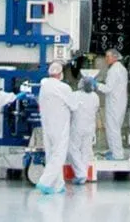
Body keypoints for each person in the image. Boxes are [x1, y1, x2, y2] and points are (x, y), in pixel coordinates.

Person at [36, 62, 79, 194]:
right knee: (59, 155)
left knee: (51, 154)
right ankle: (45, 182)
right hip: (59, 125)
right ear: (60, 74)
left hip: (47, 124)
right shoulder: (64, 87)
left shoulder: (44, 86)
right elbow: (74, 106)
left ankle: (57, 184)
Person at [96, 49, 128, 160]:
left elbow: (108, 89)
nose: (106, 58)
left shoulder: (114, 70)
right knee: (113, 127)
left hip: (115, 103)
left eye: (108, 56)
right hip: (118, 102)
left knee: (113, 128)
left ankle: (117, 154)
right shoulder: (120, 68)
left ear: (115, 57)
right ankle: (113, 151)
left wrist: (96, 84)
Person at [67, 77, 100, 185]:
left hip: (77, 126)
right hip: (90, 127)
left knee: (73, 149)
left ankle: (81, 174)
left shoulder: (75, 95)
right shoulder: (95, 96)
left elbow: (70, 108)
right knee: (86, 151)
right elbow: (96, 108)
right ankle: (83, 174)